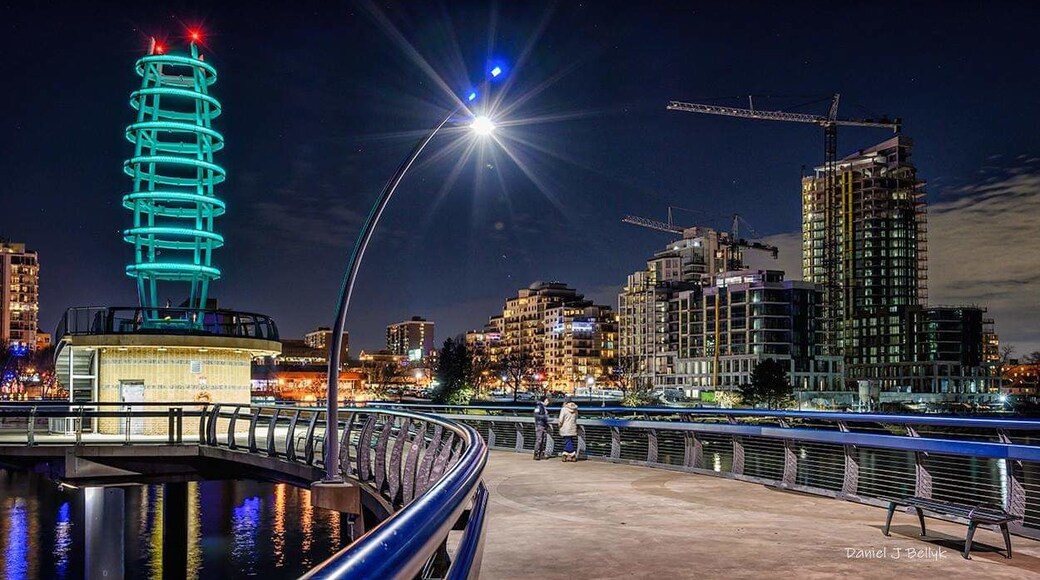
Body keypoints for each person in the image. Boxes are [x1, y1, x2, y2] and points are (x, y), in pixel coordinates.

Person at [558, 395, 579, 462]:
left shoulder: (564, 409)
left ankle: (572, 454)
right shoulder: (575, 409)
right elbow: (576, 418)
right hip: (572, 427)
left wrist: (559, 425)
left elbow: (561, 420)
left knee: (567, 441)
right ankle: (565, 454)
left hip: (565, 428)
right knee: (569, 440)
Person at [533, 394, 551, 460]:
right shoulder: (539, 406)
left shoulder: (543, 407)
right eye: (547, 401)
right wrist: (545, 417)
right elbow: (536, 415)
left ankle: (541, 453)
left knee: (543, 440)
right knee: (539, 439)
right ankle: (536, 453)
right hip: (539, 425)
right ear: (544, 400)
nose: (548, 402)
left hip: (543, 424)